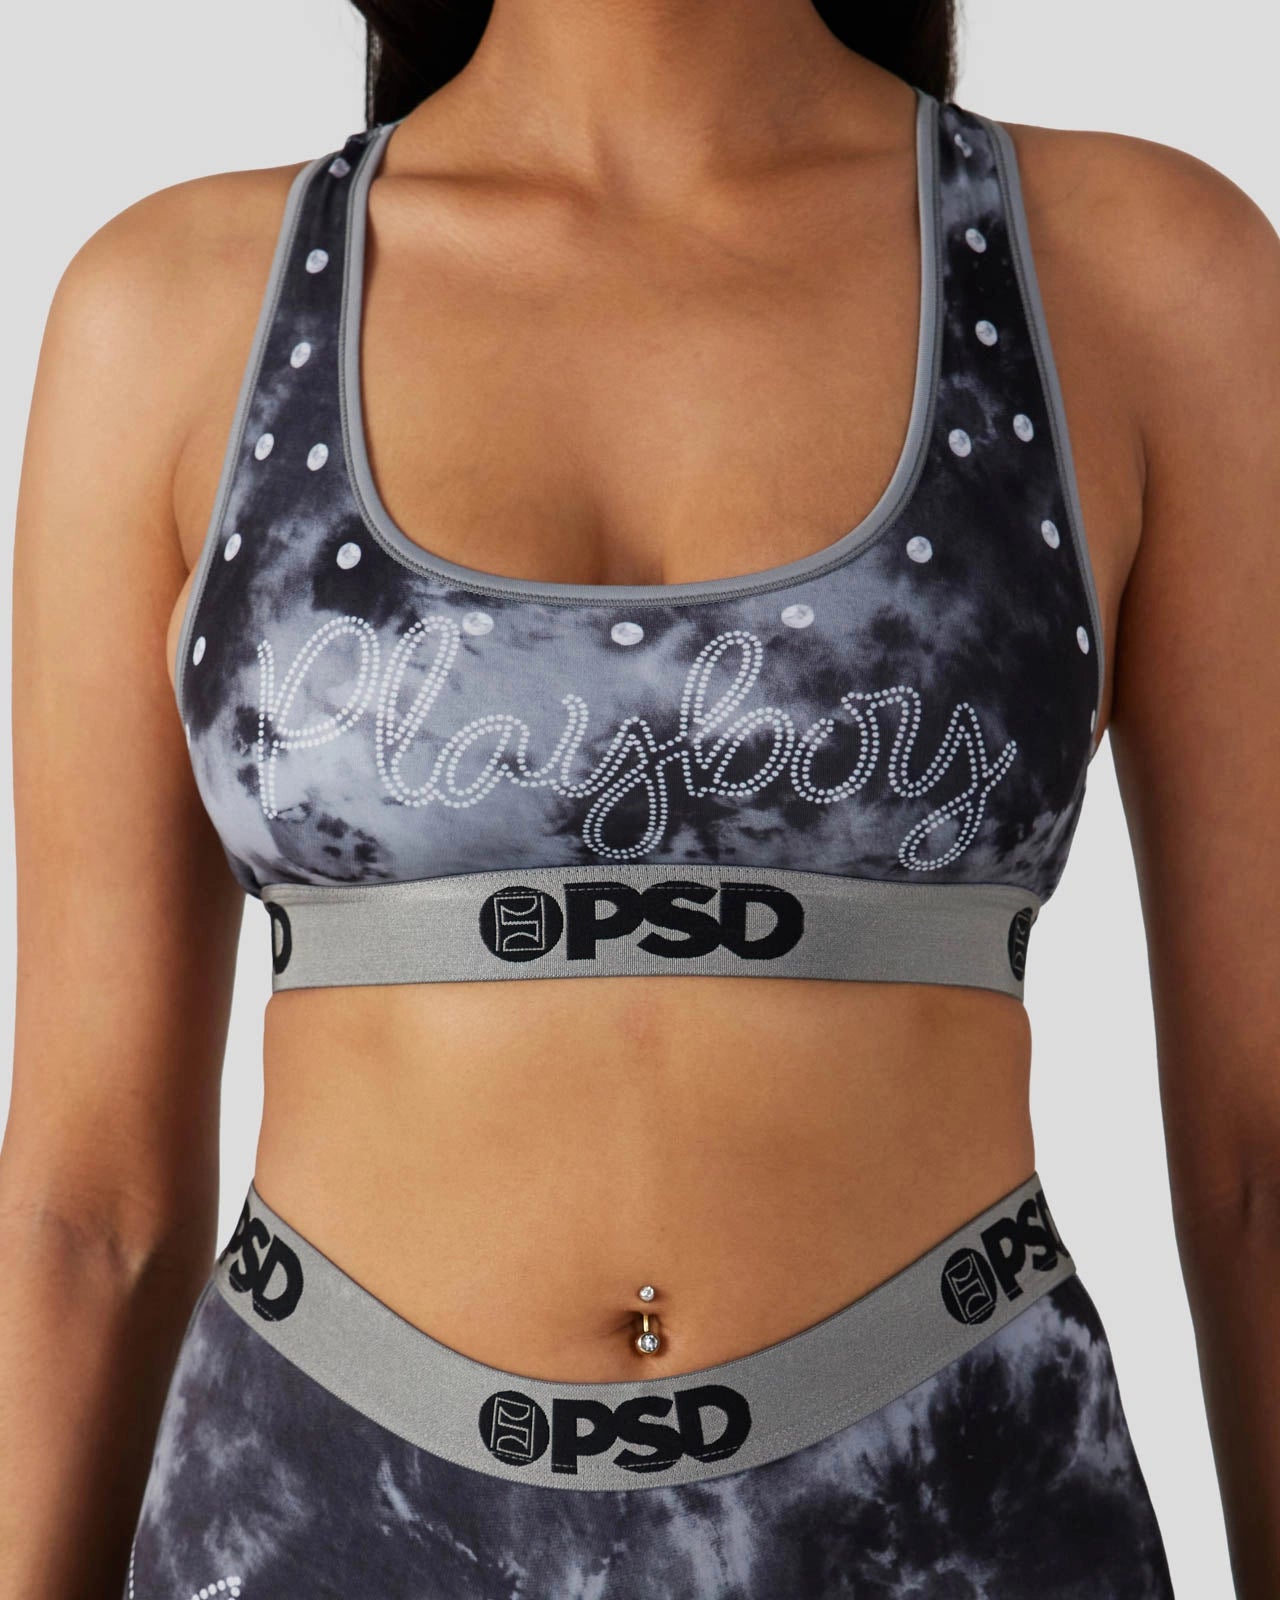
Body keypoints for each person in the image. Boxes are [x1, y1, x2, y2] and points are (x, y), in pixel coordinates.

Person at [3, 1, 1277, 1594]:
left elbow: (1257, 1161)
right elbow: (91, 1211)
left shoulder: (1141, 270)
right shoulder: (175, 307)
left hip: (960, 1517)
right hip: (313, 1519)